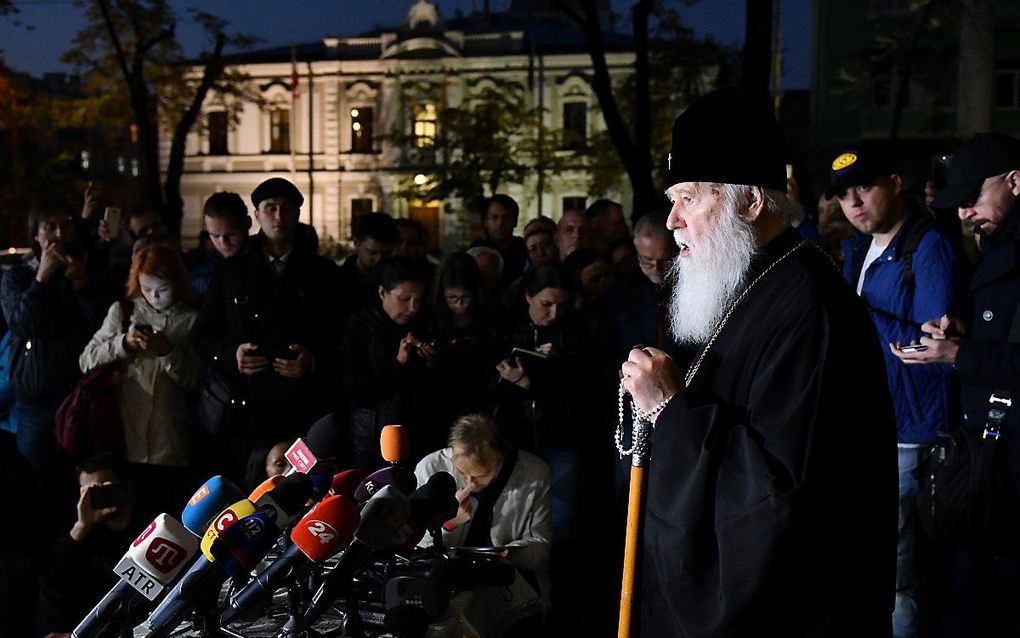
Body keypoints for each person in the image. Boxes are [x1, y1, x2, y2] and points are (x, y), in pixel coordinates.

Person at [620, 86, 897, 637]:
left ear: (750, 201)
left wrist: (672, 410)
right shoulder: (743, 281)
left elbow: (780, 493)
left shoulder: (809, 306)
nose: (671, 220)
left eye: (690, 198)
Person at [829, 145, 963, 638]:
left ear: (894, 181)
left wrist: (856, 313)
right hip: (874, 426)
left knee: (901, 575)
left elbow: (933, 346)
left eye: (864, 187)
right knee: (876, 566)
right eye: (844, 195)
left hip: (912, 431)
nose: (854, 202)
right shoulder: (861, 249)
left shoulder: (928, 248)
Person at [891, 132, 1020, 636]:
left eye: (971, 199)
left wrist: (964, 355)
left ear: (1014, 181)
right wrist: (966, 335)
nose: (964, 214)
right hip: (990, 472)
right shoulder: (999, 245)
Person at [195, 177, 341, 483]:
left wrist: (312, 360)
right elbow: (205, 334)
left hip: (301, 406)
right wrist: (231, 353)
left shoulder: (323, 273)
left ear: (298, 214)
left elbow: (338, 335)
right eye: (270, 208)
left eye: (287, 208)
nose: (278, 216)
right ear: (257, 215)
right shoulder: (230, 270)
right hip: (246, 411)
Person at [1, 202, 108, 539]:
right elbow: (23, 323)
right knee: (38, 481)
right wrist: (42, 280)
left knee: (84, 479)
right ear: (36, 234)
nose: (59, 234)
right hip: (35, 402)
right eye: (50, 226)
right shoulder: (18, 275)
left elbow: (98, 326)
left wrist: (81, 286)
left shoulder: (85, 268)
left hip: (81, 397)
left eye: (66, 225)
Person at [79, 245, 202, 513]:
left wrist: (167, 351)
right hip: (121, 434)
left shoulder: (191, 320)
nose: (154, 297)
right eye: (147, 289)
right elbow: (86, 360)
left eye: (162, 289)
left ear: (177, 283)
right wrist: (123, 343)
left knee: (165, 510)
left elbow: (194, 380)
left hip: (169, 440)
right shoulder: (123, 312)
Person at [415, 413, 551, 637]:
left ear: (499, 458)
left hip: (505, 576)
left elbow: (542, 548)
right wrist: (452, 522)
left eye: (480, 476)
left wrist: (512, 553)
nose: (470, 482)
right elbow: (418, 546)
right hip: (447, 578)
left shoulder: (533, 473)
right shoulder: (432, 469)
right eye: (462, 473)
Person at [341, 256, 434, 468]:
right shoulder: (360, 328)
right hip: (371, 442)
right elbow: (357, 392)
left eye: (418, 300)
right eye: (404, 298)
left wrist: (432, 362)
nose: (412, 307)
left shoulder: (423, 324)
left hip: (417, 438)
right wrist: (398, 364)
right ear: (383, 293)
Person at [35, 453, 142, 638]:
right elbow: (51, 575)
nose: (98, 496)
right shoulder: (83, 529)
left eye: (104, 487)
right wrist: (82, 526)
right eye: (88, 491)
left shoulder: (150, 519)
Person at [189, 192, 252, 299]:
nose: (223, 243)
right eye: (215, 235)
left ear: (247, 224)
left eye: (231, 234)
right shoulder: (201, 272)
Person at [339, 212, 401, 317]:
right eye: (372, 252)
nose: (379, 259)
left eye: (387, 253)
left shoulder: (400, 279)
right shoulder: (338, 281)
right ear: (356, 243)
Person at [471, 194, 528, 285]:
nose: (500, 223)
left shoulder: (524, 249)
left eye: (506, 218)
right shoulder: (476, 252)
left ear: (515, 221)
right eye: (495, 217)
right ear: (486, 222)